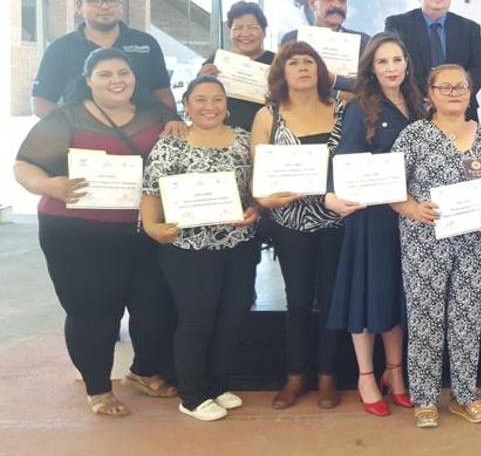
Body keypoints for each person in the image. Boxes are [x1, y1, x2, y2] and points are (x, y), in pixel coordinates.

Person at [13, 48, 176, 417]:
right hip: (76, 233)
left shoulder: (157, 114)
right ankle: (98, 388)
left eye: (123, 72)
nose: (116, 80)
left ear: (134, 77)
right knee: (93, 310)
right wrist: (48, 185)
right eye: (105, 74)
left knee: (154, 306)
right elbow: (24, 165)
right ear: (88, 80)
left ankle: (142, 372)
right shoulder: (66, 117)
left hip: (144, 230)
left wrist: (180, 127)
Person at [392, 64, 481, 428]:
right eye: (445, 87)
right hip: (424, 241)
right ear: (430, 94)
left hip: (474, 243)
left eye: (461, 87)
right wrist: (412, 208)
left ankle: (465, 394)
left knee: (467, 318)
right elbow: (391, 186)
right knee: (425, 318)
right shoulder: (414, 135)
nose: (454, 93)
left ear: (471, 92)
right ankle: (425, 398)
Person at [140, 77, 259, 421]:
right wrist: (152, 227)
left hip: (237, 245)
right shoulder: (171, 143)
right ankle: (192, 395)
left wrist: (255, 209)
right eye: (201, 100)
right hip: (187, 248)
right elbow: (151, 192)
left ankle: (218, 384)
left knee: (233, 316)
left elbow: (255, 189)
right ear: (186, 105)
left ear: (227, 105)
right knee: (197, 320)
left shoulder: (244, 140)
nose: (210, 106)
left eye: (217, 99)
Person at [324, 35, 424, 416]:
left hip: (407, 219)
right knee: (367, 297)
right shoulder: (359, 106)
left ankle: (395, 373)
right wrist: (332, 195)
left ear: (407, 63)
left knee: (396, 296)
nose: (391, 68)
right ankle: (366, 376)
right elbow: (345, 161)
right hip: (370, 217)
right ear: (371, 68)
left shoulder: (417, 105)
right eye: (383, 62)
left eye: (397, 59)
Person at [250, 41, 347, 411]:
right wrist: (266, 200)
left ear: (321, 70)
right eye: (294, 62)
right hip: (289, 222)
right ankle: (295, 375)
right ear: (281, 72)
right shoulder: (268, 115)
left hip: (336, 220)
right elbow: (258, 172)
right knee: (298, 299)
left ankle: (328, 375)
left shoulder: (341, 108)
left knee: (332, 298)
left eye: (309, 61)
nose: (303, 67)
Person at [32, 0, 178, 121]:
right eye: (94, 1)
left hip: (142, 132)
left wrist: (171, 122)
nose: (104, 6)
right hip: (82, 133)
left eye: (111, 0)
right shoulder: (60, 49)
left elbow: (163, 94)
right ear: (78, 6)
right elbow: (41, 103)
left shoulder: (146, 43)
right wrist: (74, 127)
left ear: (120, 5)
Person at [384, 0, 481, 121]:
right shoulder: (398, 24)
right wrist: (429, 96)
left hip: (461, 111)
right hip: (413, 109)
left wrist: (457, 94)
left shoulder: (469, 28)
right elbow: (394, 64)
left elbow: (479, 67)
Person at [280, 0, 371, 96]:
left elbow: (370, 85)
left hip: (351, 108)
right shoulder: (293, 39)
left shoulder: (364, 42)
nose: (337, 5)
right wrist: (338, 93)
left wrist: (336, 80)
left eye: (342, 0)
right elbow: (282, 83)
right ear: (312, 3)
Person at [198, 1, 276, 132]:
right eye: (238, 28)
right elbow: (197, 102)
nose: (245, 33)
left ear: (264, 32)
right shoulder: (216, 61)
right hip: (225, 135)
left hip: (269, 133)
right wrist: (201, 82)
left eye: (253, 27)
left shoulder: (278, 62)